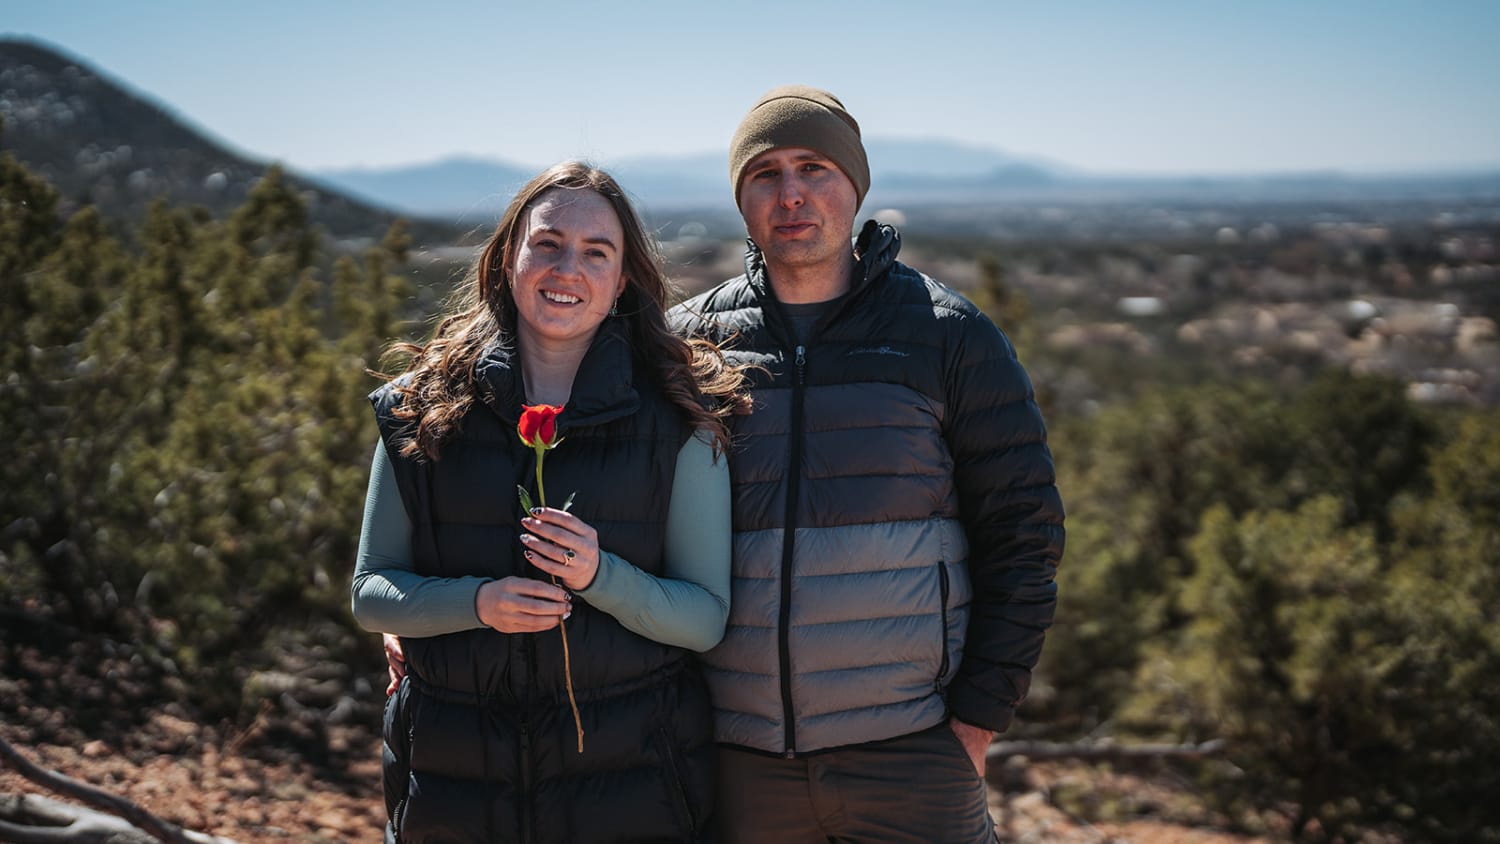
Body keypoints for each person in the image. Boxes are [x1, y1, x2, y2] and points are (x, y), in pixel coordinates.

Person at [670, 85, 1065, 843]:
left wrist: (977, 722)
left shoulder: (949, 337)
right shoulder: (689, 348)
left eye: (814, 167)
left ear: (854, 183)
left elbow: (1024, 536)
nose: (791, 194)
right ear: (741, 197)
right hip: (738, 763)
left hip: (912, 757)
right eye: (765, 174)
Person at [351, 161, 747, 844]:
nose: (568, 268)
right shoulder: (420, 411)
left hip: (632, 792)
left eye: (597, 252)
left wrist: (601, 577)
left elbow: (704, 618)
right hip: (452, 791)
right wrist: (478, 603)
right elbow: (370, 592)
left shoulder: (681, 421)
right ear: (509, 259)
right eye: (548, 243)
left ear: (622, 279)